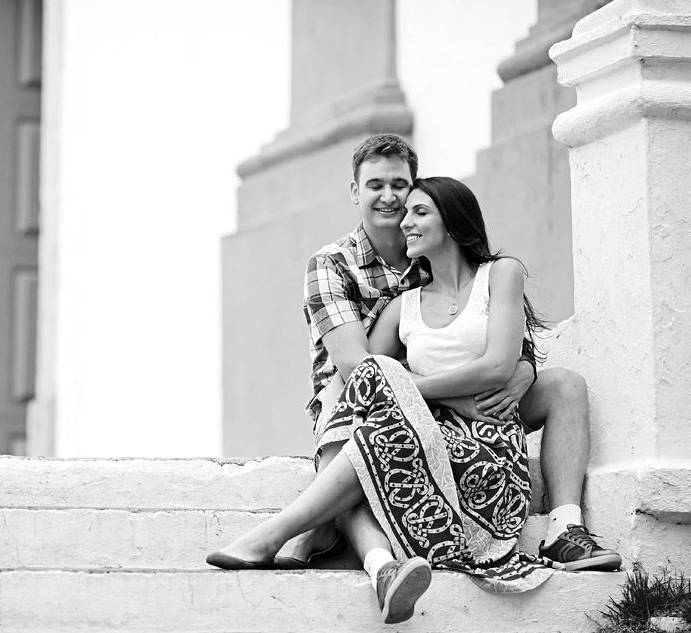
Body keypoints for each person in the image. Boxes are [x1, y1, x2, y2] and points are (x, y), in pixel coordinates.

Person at [208, 175, 557, 622]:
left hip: (489, 463)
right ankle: (376, 566)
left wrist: (412, 386)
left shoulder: (502, 273)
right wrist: (424, 394)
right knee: (370, 405)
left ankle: (282, 533)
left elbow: (497, 367)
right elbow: (363, 381)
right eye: (406, 213)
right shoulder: (402, 306)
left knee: (379, 384)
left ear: (453, 221)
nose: (405, 222)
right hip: (427, 463)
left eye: (419, 212)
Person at [292, 134, 619, 579]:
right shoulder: (334, 264)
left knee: (565, 384)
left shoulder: (438, 260)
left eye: (400, 186)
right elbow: (357, 368)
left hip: (457, 396)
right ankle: (336, 538)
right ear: (355, 191)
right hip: (367, 402)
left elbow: (490, 336)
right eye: (374, 185)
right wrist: (445, 398)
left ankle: (565, 529)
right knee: (353, 413)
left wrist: (524, 367)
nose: (390, 198)